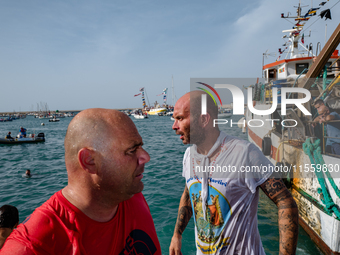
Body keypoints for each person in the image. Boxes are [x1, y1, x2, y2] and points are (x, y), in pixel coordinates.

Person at [1, 109, 161, 254]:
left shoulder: (131, 195)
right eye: (132, 150)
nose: (146, 157)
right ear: (89, 161)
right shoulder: (32, 247)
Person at [169, 91, 298, 255]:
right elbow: (189, 192)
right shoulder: (189, 155)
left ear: (204, 119)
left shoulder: (244, 153)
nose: (174, 126)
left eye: (180, 118)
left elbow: (284, 200)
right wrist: (177, 235)